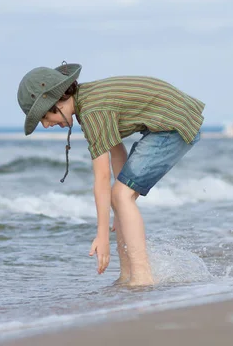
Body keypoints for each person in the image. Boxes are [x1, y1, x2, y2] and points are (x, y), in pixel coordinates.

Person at [17, 62, 205, 286]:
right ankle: (127, 275)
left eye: (44, 118)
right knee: (120, 198)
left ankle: (142, 277)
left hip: (174, 125)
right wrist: (117, 209)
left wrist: (102, 236)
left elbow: (102, 178)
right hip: (170, 121)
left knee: (121, 196)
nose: (47, 125)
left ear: (56, 102)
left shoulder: (93, 112)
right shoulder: (89, 100)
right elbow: (117, 154)